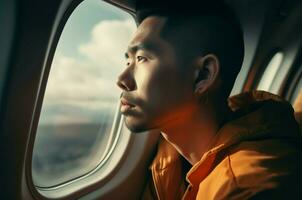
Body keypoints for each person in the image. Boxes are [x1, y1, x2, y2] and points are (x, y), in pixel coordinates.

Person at [116, 1, 302, 199]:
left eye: (142, 58)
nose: (121, 80)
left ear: (203, 75)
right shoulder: (170, 159)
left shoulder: (245, 189)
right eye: (128, 60)